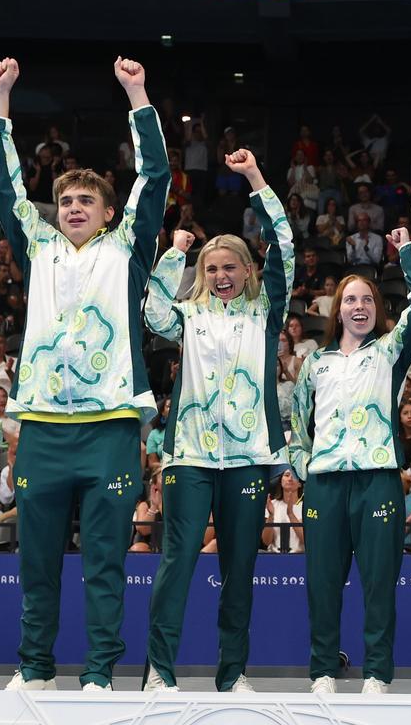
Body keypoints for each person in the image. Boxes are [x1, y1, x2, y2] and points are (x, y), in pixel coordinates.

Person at [0, 56, 169, 693]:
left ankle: (98, 672)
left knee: (105, 563)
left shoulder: (129, 251)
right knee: (36, 561)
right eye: (65, 200)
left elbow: (156, 173)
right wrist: (0, 98)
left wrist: (137, 93)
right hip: (42, 429)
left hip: (111, 427)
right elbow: (3, 185)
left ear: (109, 212)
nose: (74, 206)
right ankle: (33, 667)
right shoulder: (37, 247)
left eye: (87, 200)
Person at [143, 147, 294, 693]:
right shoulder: (188, 314)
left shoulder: (265, 314)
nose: (221, 275)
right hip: (190, 454)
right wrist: (172, 255)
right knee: (178, 562)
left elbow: (288, 249)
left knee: (239, 571)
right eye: (211, 268)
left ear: (248, 271)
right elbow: (152, 310)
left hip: (249, 457)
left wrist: (255, 177)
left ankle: (232, 675)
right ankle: (159, 672)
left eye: (230, 266)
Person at [289, 228, 411, 695]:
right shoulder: (315, 363)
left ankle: (377, 673)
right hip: (326, 484)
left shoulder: (390, 353)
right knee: (322, 585)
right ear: (337, 309)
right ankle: (323, 670)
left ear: (377, 308)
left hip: (378, 481)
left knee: (378, 585)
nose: (359, 306)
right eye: (350, 299)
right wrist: (303, 462)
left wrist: (407, 252)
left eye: (367, 300)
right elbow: (296, 418)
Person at [262, 468, 304, 553]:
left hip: (300, 558)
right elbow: (266, 542)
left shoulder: (306, 506)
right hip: (274, 558)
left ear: (300, 483)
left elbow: (306, 540)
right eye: (287, 475)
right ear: (280, 481)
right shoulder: (272, 505)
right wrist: (271, 516)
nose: (290, 478)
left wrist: (290, 514)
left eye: (294, 476)